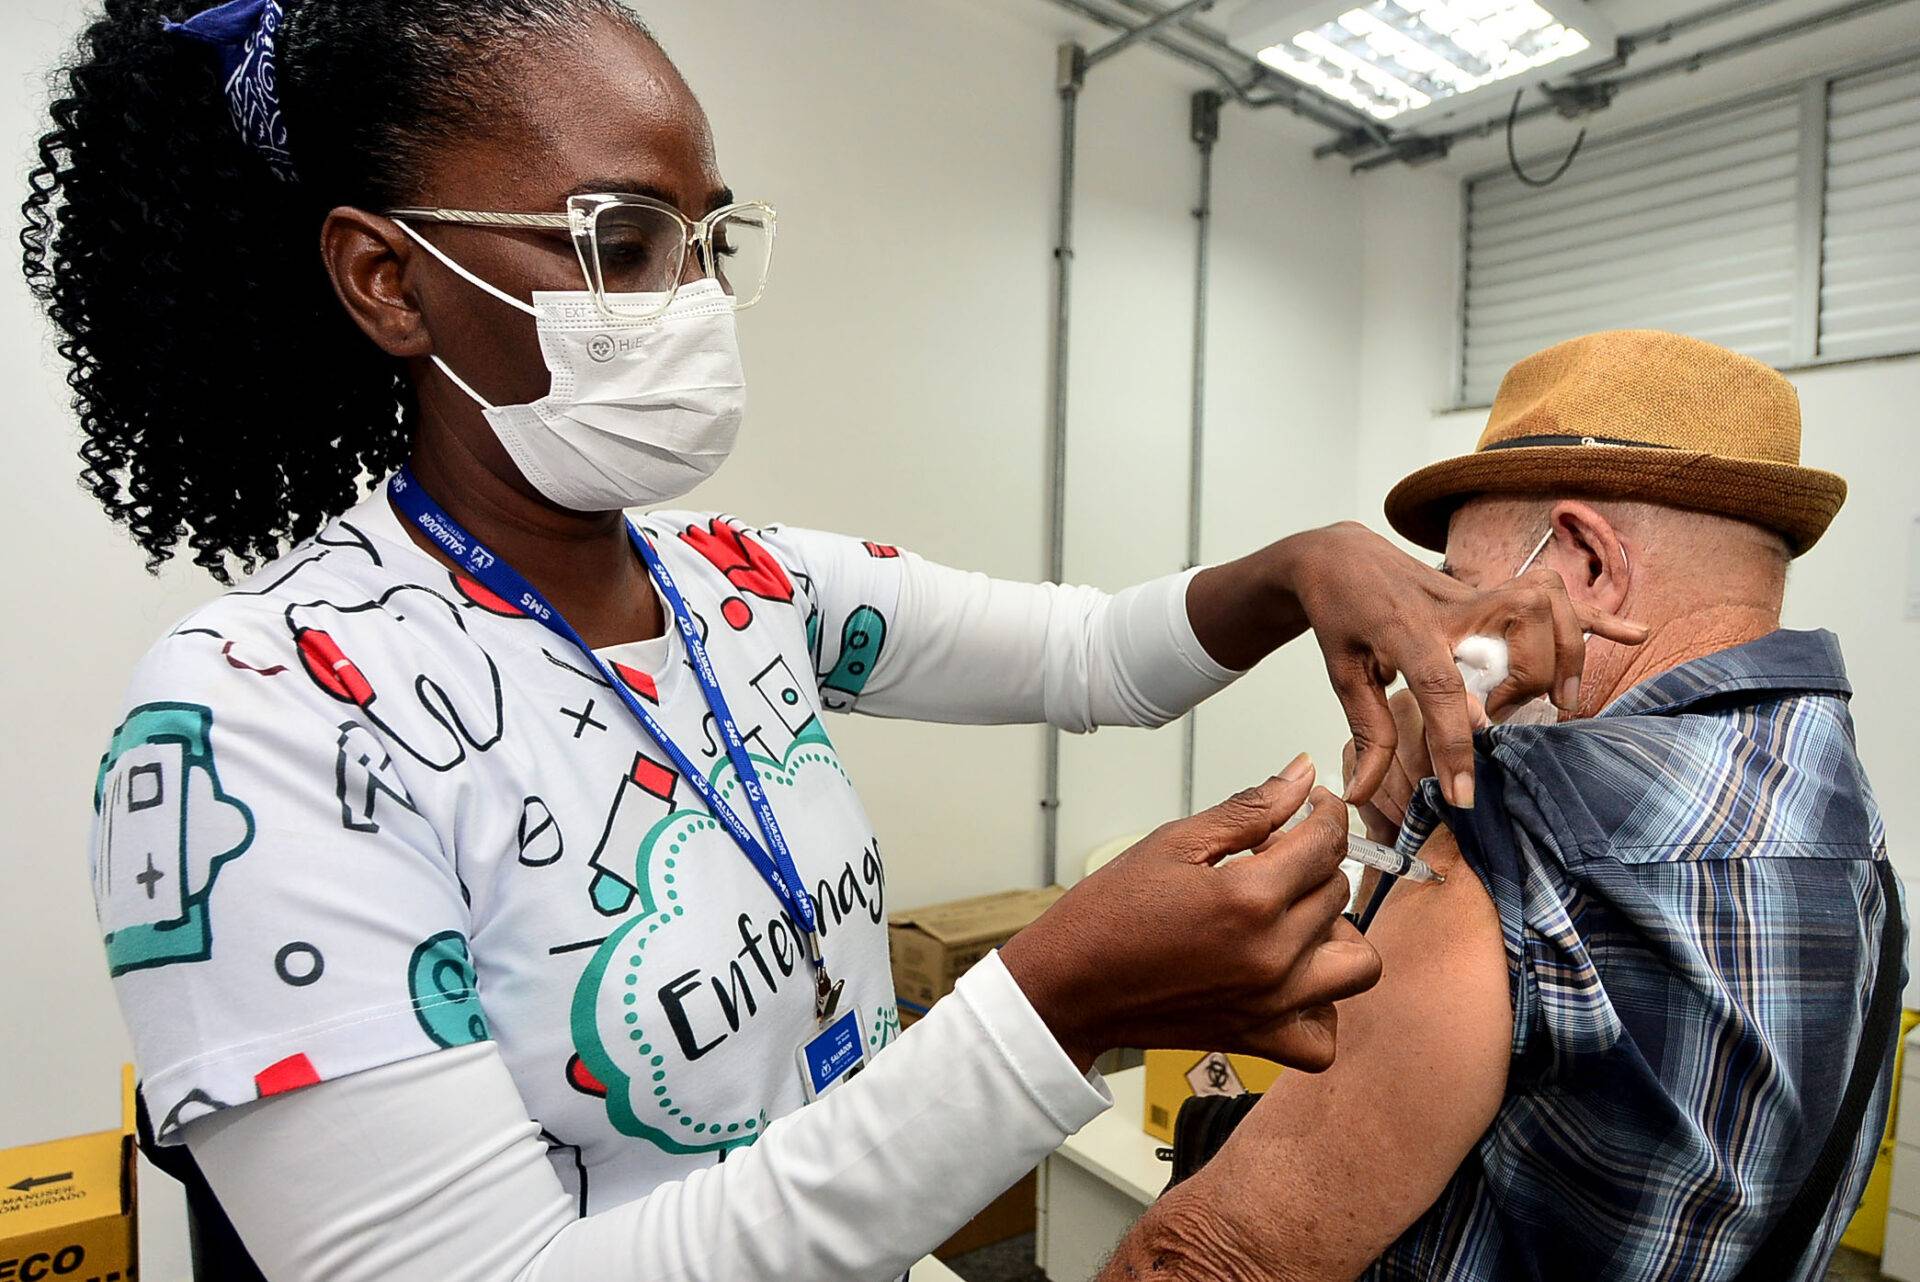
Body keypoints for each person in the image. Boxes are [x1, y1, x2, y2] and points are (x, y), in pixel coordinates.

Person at [23, 4, 1638, 1279]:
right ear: (389, 279)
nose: (696, 303)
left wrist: (1302, 567)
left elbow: (1093, 655)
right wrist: (1055, 1005)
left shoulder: (743, 590)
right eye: (621, 242)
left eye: (711, 240)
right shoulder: (262, 721)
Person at [1101, 329, 1903, 1282]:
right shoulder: (1838, 806)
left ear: (1588, 564)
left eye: (1460, 594)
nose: (1432, 638)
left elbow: (1205, 1259)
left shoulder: (1527, 819)